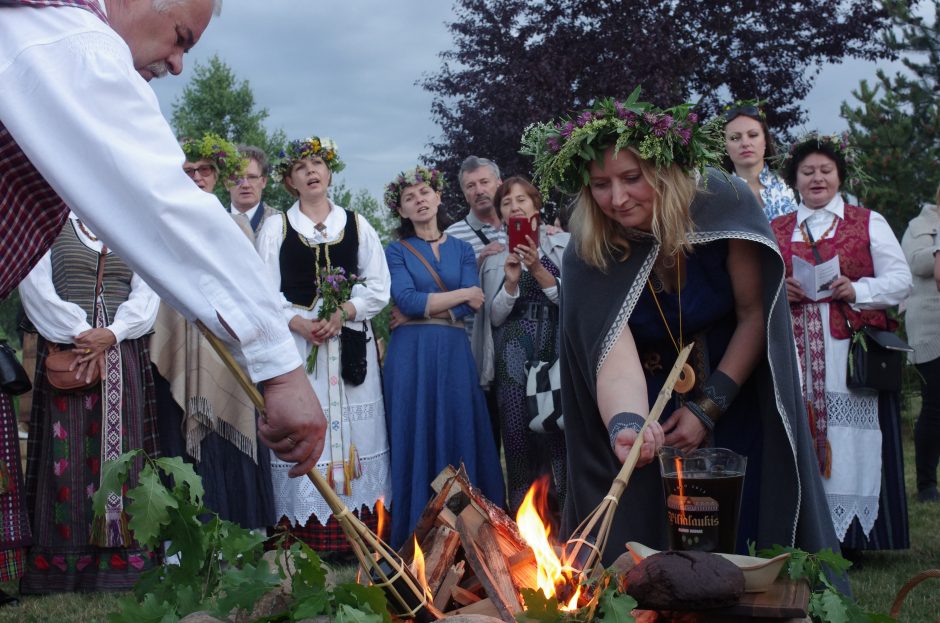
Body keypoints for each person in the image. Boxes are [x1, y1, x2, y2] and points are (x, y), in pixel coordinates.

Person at [0, 0, 326, 473]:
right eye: (180, 37)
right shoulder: (78, 42)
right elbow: (167, 208)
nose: (177, 64)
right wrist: (279, 367)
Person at [520, 92, 840, 565]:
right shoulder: (592, 245)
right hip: (649, 403)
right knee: (648, 537)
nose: (617, 199)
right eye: (600, 185)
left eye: (632, 178)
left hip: (734, 390)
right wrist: (628, 426)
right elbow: (610, 347)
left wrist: (708, 407)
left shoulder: (723, 203)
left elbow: (755, 315)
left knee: (738, 529)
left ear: (664, 169)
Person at [771, 132, 912, 553]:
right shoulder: (776, 227)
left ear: (839, 175)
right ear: (794, 180)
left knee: (851, 440)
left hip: (845, 353)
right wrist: (781, 288)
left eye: (825, 171)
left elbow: (901, 281)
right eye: (808, 172)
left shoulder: (867, 221)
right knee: (795, 428)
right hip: (792, 351)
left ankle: (854, 537)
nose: (817, 179)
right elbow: (752, 285)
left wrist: (858, 289)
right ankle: (802, 532)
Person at [256, 137, 392, 556]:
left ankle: (360, 531)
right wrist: (297, 320)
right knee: (305, 419)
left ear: (330, 173)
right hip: (299, 349)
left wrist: (346, 310)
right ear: (289, 180)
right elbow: (261, 291)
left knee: (357, 427)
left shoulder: (357, 223)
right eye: (301, 167)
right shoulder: (276, 228)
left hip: (349, 342)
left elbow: (379, 286)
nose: (311, 171)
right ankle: (303, 534)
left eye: (318, 163)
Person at [18, 213, 160, 592]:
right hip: (69, 353)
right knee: (66, 456)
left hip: (121, 354)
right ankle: (63, 567)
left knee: (125, 456)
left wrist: (113, 333)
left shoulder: (130, 222)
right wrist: (81, 333)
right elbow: (35, 289)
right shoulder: (48, 222)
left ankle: (125, 569)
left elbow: (147, 292)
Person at [151, 134, 275, 529]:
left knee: (231, 437)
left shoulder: (236, 227)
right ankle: (184, 537)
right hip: (179, 346)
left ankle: (241, 531)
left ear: (216, 176)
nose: (196, 176)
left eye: (204, 170)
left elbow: (253, 292)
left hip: (227, 350)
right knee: (178, 438)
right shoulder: (160, 225)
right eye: (188, 171)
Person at [383, 166, 504, 548]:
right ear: (402, 211)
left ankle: (471, 530)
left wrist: (429, 307)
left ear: (438, 198)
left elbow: (476, 302)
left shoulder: (462, 249)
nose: (419, 200)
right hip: (411, 357)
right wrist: (458, 296)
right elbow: (405, 299)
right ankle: (415, 531)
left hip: (453, 353)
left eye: (424, 193)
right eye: (409, 198)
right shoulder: (396, 251)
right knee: (415, 431)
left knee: (457, 427)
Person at [474, 177, 568, 517]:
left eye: (521, 200)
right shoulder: (494, 259)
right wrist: (512, 280)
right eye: (507, 203)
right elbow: (494, 317)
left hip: (555, 353)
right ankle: (522, 525)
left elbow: (570, 303)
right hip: (512, 358)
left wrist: (537, 269)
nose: (514, 206)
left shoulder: (563, 245)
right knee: (516, 441)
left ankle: (565, 523)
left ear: (536, 207)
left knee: (556, 433)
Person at [901, 190, 940, 503]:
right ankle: (927, 484)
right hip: (932, 329)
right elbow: (917, 263)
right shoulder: (920, 225)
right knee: (935, 406)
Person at [722, 100, 797, 221]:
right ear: (725, 146)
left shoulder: (794, 185)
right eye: (735, 138)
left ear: (765, 139)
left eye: (753, 135)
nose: (745, 143)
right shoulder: (717, 194)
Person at [226, 144, 279, 243]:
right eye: (238, 178)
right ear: (226, 183)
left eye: (252, 177)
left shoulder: (281, 223)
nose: (245, 185)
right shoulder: (214, 220)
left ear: (263, 181)